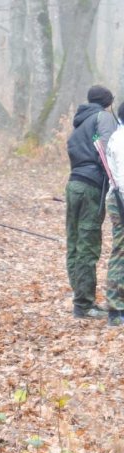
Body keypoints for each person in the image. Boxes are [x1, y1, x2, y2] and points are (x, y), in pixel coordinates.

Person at [66, 85, 118, 319]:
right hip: (91, 186)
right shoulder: (104, 117)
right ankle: (84, 305)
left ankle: (81, 299)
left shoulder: (80, 122)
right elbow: (107, 153)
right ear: (109, 103)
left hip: (74, 183)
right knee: (87, 242)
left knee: (75, 241)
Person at [105, 102, 124, 327]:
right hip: (120, 200)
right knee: (120, 253)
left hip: (118, 198)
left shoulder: (116, 137)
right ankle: (115, 308)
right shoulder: (120, 140)